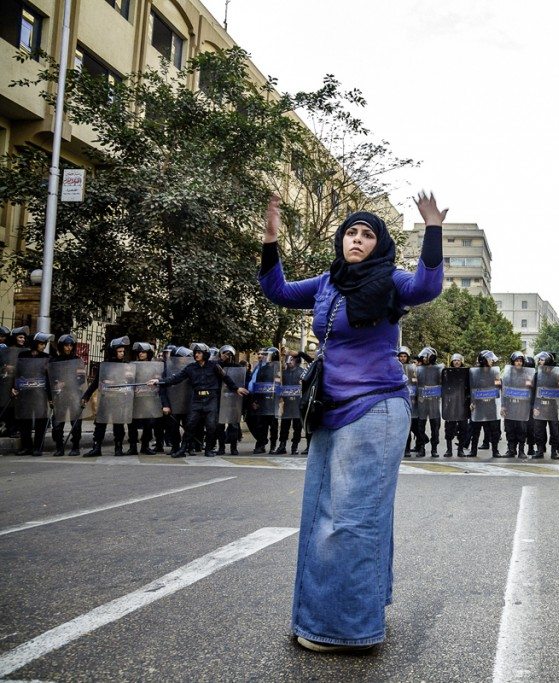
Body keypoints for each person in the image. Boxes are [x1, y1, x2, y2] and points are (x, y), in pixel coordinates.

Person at [259, 191, 444, 653]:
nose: (356, 240)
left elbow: (427, 286)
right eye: (351, 233)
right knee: (326, 514)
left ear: (378, 244)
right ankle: (347, 611)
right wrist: (270, 240)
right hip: (329, 409)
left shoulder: (391, 281)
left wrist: (433, 230)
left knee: (351, 520)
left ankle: (345, 631)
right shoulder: (327, 283)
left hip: (376, 408)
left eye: (366, 234)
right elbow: (276, 291)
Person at [151, 343, 248, 458]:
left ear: (205, 354)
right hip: (197, 400)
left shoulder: (214, 366)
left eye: (199, 353)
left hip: (211, 399)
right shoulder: (191, 367)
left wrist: (236, 389)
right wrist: (159, 381)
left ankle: (208, 449)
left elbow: (225, 378)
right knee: (190, 425)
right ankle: (183, 449)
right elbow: (176, 378)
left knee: (211, 425)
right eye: (195, 353)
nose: (196, 355)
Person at [82, 337, 133, 457]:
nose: (122, 353)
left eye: (122, 351)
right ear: (113, 351)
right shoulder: (104, 366)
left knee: (118, 425)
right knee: (100, 424)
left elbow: (129, 381)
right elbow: (96, 382)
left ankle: (118, 448)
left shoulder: (126, 366)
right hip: (105, 399)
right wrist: (87, 395)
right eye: (119, 351)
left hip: (119, 399)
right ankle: (96, 447)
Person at [14, 332, 52, 455]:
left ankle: (37, 447)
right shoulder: (23, 355)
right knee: (25, 420)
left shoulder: (47, 357)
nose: (43, 346)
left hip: (41, 393)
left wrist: (51, 397)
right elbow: (18, 373)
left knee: (41, 420)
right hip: (25, 393)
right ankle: (26, 447)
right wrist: (14, 387)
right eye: (41, 343)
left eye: (44, 344)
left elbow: (50, 377)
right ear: (35, 344)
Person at [50, 334, 85, 456]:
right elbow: (51, 377)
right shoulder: (54, 361)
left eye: (70, 345)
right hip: (59, 396)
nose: (68, 348)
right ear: (61, 346)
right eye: (66, 345)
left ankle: (75, 446)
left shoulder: (77, 360)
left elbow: (81, 378)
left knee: (76, 424)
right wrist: (56, 384)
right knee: (57, 424)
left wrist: (66, 383)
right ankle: (59, 447)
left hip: (74, 394)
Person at [442, 353, 471, 457]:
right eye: (454, 360)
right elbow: (444, 387)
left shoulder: (466, 373)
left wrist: (470, 401)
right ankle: (449, 450)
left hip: (462, 403)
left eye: (458, 360)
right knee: (449, 428)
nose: (456, 362)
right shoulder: (447, 372)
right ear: (452, 362)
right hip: (451, 404)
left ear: (461, 361)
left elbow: (469, 387)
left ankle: (460, 450)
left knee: (463, 428)